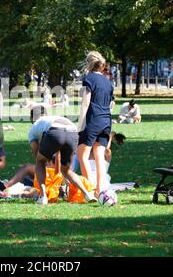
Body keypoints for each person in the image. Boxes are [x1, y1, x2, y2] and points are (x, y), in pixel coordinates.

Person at [28, 106, 97, 205]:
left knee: (40, 162)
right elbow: (59, 152)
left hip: (54, 131)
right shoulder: (52, 118)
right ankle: (87, 193)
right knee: (66, 170)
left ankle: (43, 197)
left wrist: (44, 166)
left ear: (31, 118)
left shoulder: (34, 127)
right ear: (46, 114)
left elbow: (36, 153)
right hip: (73, 133)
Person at [77, 51, 114, 197]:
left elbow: (85, 103)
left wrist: (80, 125)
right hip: (106, 121)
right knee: (99, 157)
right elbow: (111, 105)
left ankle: (90, 190)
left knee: (82, 156)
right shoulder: (108, 82)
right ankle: (101, 190)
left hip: (93, 120)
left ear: (89, 64)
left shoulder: (89, 79)